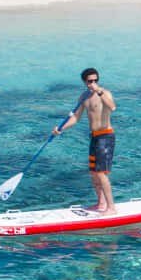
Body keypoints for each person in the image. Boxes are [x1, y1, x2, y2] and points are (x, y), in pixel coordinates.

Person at [53, 68, 118, 213]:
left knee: (102, 173)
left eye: (96, 80)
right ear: (85, 82)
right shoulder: (84, 97)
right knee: (94, 173)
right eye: (90, 81)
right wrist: (61, 129)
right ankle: (101, 204)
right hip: (94, 137)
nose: (93, 83)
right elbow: (76, 117)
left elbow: (112, 107)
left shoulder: (105, 93)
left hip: (106, 136)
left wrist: (99, 91)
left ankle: (111, 207)